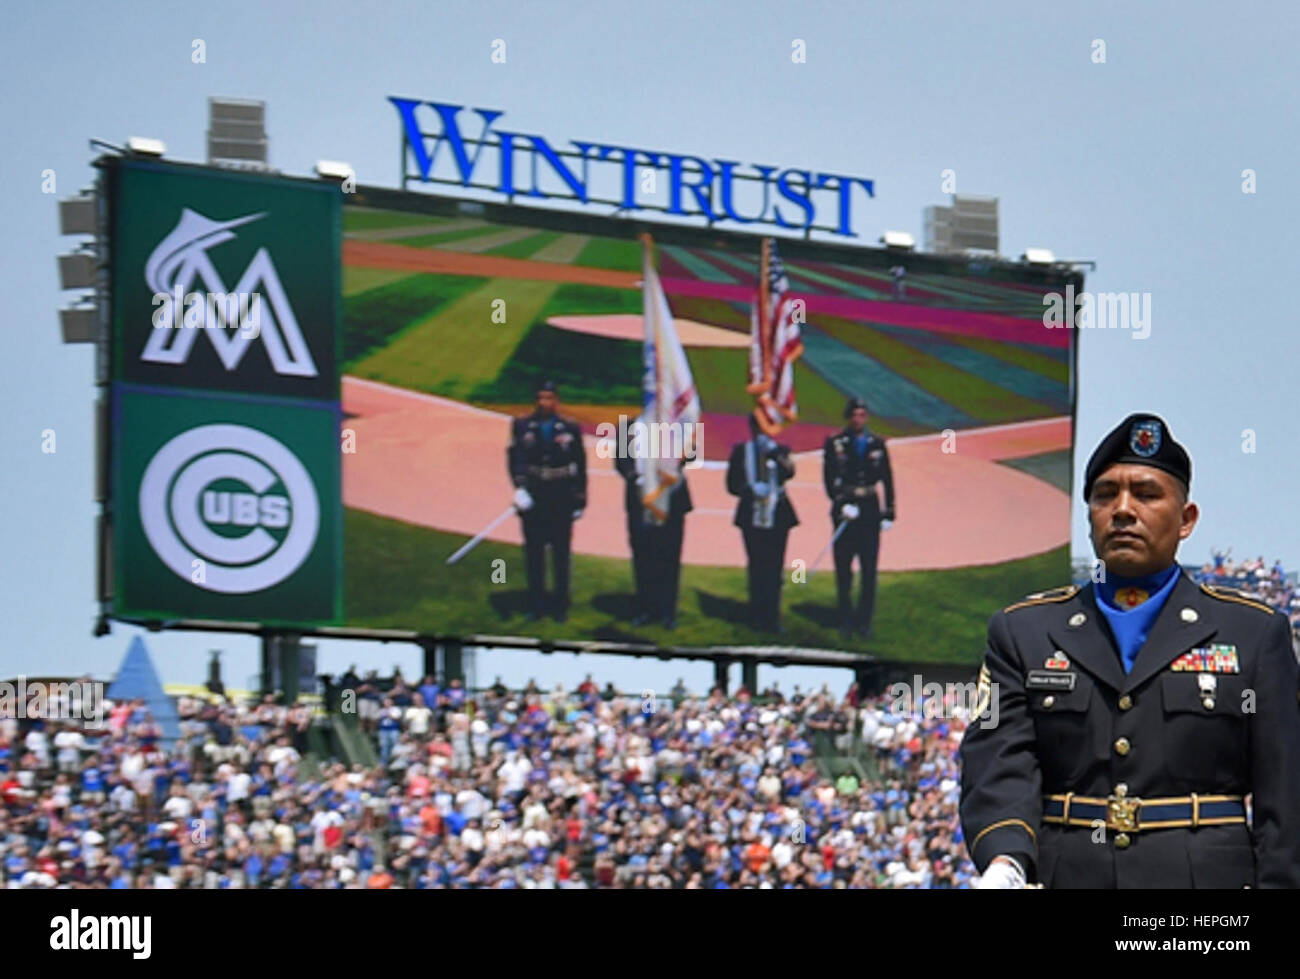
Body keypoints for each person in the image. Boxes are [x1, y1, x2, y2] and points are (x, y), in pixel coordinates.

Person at [960, 413, 1300, 889]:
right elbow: (997, 761)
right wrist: (1006, 861)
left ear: (1186, 520)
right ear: (1090, 516)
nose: (1122, 509)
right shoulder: (1023, 632)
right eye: (1105, 495)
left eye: (1146, 494)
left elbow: (1285, 798)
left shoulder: (1253, 634)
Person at [507, 380, 587, 621]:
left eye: (549, 398)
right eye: (540, 398)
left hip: (560, 495)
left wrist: (580, 499)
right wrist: (519, 487)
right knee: (534, 552)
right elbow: (515, 457)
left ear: (556, 400)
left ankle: (560, 604)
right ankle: (536, 603)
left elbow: (580, 464)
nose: (544, 402)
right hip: (535, 494)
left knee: (561, 553)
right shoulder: (522, 425)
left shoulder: (569, 427)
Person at [822, 397, 895, 639]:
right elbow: (829, 477)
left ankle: (864, 621)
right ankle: (845, 619)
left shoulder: (877, 443)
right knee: (844, 569)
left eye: (862, 415)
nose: (858, 419)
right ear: (848, 417)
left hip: (870, 510)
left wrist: (889, 511)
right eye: (854, 415)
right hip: (846, 510)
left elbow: (887, 478)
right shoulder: (835, 443)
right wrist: (840, 502)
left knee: (869, 569)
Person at [615, 416, 693, 628]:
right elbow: (621, 462)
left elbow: (692, 454)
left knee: (669, 555)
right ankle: (645, 609)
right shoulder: (628, 427)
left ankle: (667, 612)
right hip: (641, 500)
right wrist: (636, 479)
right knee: (643, 555)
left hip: (672, 499)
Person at [726, 414, 798, 633]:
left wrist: (777, 455)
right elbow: (731, 485)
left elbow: (790, 473)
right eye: (758, 426)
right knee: (757, 566)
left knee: (775, 568)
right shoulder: (741, 451)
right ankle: (756, 615)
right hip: (752, 513)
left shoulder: (780, 450)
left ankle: (773, 617)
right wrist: (749, 490)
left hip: (778, 514)